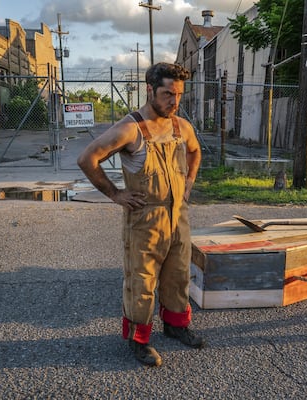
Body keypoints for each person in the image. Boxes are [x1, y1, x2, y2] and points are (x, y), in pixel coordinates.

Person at [77, 62, 204, 367]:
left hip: (178, 218)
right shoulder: (130, 128)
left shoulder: (180, 126)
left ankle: (176, 326)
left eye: (179, 95)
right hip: (145, 221)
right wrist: (116, 194)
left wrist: (188, 184)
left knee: (178, 277)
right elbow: (87, 158)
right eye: (167, 94)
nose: (174, 102)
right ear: (150, 90)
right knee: (141, 282)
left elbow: (195, 151)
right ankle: (139, 340)